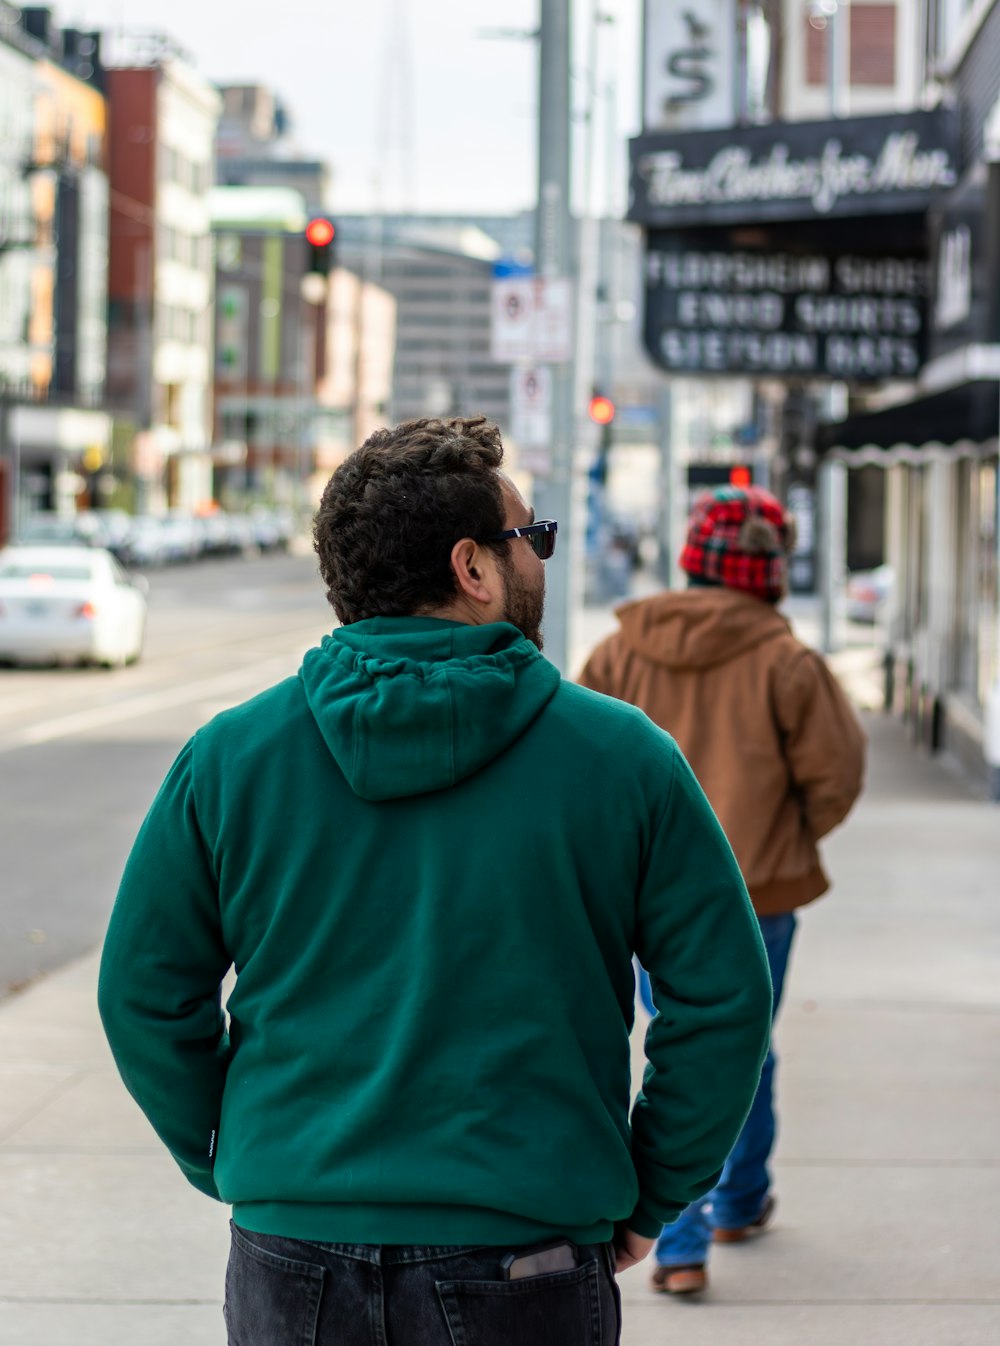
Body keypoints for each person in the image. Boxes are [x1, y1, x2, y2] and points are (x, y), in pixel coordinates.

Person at [98, 418, 772, 1346]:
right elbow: (724, 1002)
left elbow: (141, 992)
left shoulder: (230, 759)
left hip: (293, 1249)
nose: (543, 558)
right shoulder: (623, 761)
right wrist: (652, 1189)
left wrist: (235, 1151)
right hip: (527, 1252)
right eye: (531, 538)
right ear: (473, 568)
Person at [579, 483, 866, 1298]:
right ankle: (732, 1203)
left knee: (667, 1036)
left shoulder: (620, 650)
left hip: (642, 890)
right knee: (741, 1041)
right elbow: (836, 775)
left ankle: (679, 1240)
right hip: (760, 888)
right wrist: (784, 835)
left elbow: (577, 758)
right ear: (770, 573)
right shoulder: (788, 660)